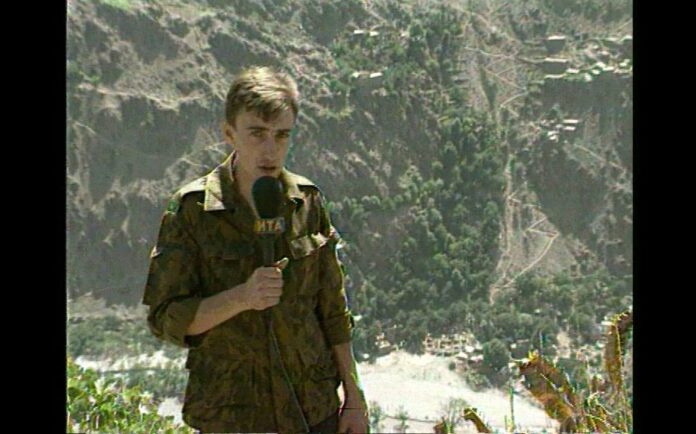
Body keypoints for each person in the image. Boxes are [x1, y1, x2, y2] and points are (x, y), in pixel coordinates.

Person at [142, 66, 369, 433]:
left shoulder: (307, 202)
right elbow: (165, 319)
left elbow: (333, 310)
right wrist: (241, 298)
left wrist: (354, 399)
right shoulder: (193, 210)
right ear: (229, 133)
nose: (270, 149)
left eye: (282, 135)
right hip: (231, 415)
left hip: (312, 409)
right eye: (257, 133)